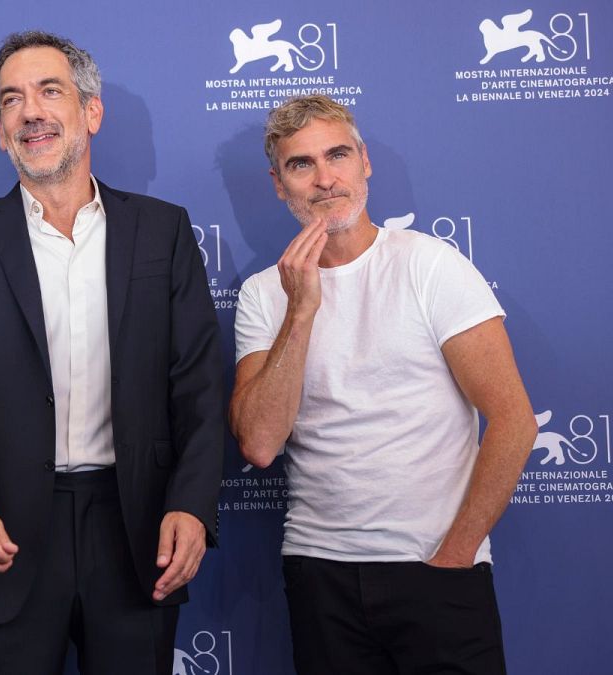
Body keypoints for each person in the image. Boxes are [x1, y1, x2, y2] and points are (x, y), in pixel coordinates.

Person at [0, 31, 223, 675]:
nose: (32, 112)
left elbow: (200, 386)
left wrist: (191, 504)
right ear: (0, 132)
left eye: (51, 91)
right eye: (13, 100)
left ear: (90, 112)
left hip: (135, 532)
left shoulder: (163, 230)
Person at [230, 95, 538, 674]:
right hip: (319, 572)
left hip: (438, 568)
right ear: (278, 184)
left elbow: (515, 421)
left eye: (338, 155)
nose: (325, 179)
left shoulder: (430, 266)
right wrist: (301, 313)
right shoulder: (264, 294)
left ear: (364, 161)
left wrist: (457, 555)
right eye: (302, 165)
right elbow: (260, 443)